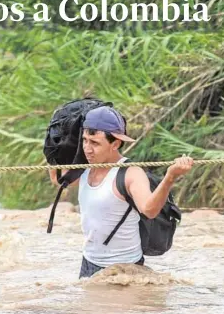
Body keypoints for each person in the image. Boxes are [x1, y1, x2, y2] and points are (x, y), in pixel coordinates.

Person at [50, 105, 194, 278]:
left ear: (116, 143)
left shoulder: (130, 173)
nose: (87, 148)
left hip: (124, 269)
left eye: (95, 143)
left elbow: (149, 210)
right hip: (88, 263)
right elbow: (58, 180)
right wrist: (54, 146)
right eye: (85, 140)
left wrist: (170, 177)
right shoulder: (85, 167)